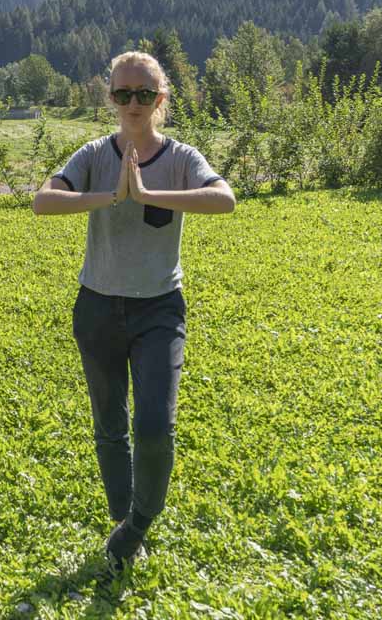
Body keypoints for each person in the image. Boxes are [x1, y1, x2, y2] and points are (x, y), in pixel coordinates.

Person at [32, 51, 235, 571]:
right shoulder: (95, 153)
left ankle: (139, 521)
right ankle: (126, 528)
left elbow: (225, 199)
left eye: (144, 94)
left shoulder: (181, 156)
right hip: (97, 307)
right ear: (110, 99)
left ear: (161, 99)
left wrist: (149, 192)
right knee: (109, 425)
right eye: (123, 94)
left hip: (159, 311)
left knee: (154, 426)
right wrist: (111, 196)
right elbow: (43, 201)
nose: (133, 104)